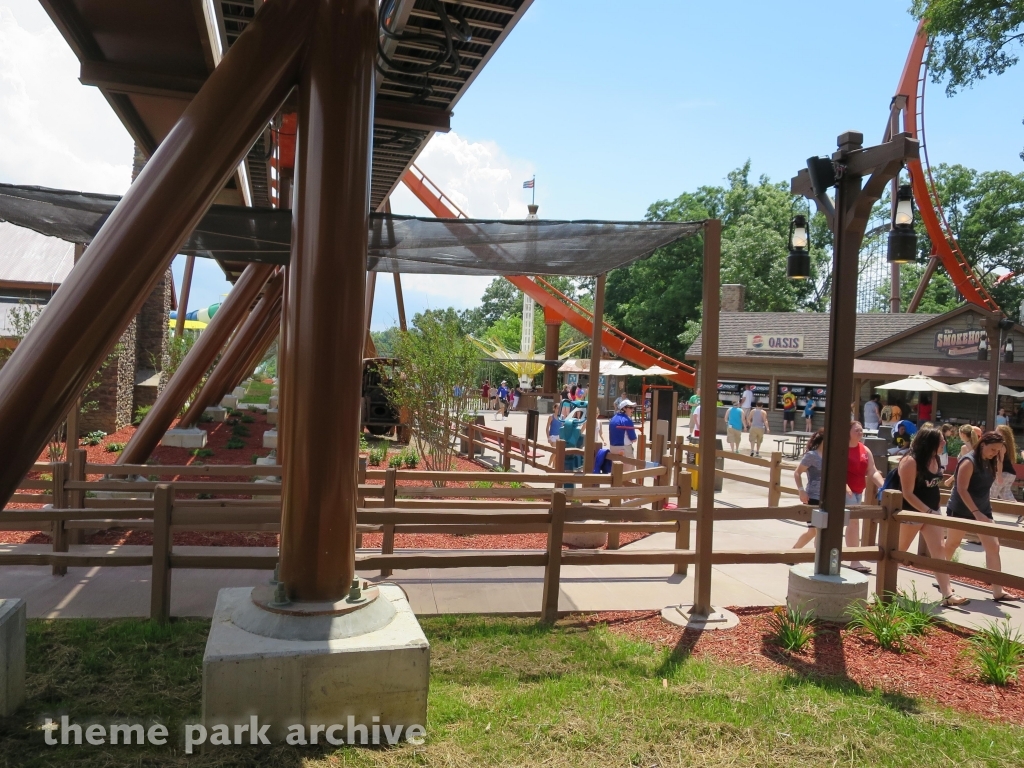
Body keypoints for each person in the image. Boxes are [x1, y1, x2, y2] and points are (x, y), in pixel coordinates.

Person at [894, 427, 970, 606]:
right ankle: (888, 582)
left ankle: (947, 594)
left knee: (939, 551)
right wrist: (926, 512)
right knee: (900, 550)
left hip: (933, 513)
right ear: (930, 442)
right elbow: (907, 493)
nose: (945, 443)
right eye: (941, 440)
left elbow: (934, 486)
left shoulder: (935, 458)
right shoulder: (910, 461)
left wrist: (934, 512)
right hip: (911, 512)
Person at [945, 431, 1012, 601]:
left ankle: (998, 590)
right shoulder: (968, 461)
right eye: (993, 449)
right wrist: (975, 513)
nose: (994, 453)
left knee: (993, 547)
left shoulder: (991, 461)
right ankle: (942, 577)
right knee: (952, 543)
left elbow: (997, 481)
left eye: (998, 450)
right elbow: (961, 489)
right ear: (983, 444)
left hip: (983, 509)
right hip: (961, 510)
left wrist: (1000, 458)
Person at [846, 421, 885, 572]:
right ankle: (854, 560)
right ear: (848, 432)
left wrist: (884, 486)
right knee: (853, 523)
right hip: (844, 491)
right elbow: (835, 468)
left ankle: (853, 558)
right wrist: (845, 486)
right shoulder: (842, 448)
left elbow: (872, 471)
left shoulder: (865, 449)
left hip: (857, 491)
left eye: (861, 430)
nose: (860, 433)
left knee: (853, 524)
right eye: (856, 430)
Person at [792, 430, 825, 549]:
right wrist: (801, 490)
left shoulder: (832, 456)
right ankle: (793, 554)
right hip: (813, 497)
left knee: (822, 531)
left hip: (827, 498)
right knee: (814, 531)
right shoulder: (812, 455)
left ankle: (818, 560)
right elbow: (797, 473)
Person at [993, 423, 1018, 500]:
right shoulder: (1008, 445)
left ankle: (986, 511)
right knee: (1006, 496)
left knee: (991, 494)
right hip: (1010, 474)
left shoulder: (1001, 445)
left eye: (997, 432)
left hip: (1003, 473)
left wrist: (999, 475)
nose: (995, 433)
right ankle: (1018, 510)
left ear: (1003, 434)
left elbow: (1000, 461)